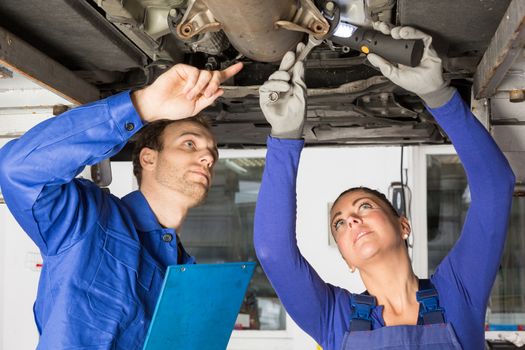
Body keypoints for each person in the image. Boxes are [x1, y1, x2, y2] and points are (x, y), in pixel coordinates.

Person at [254, 25, 515, 350]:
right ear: (347, 259)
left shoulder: (458, 294)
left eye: (365, 207)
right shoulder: (332, 316)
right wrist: (284, 136)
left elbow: (494, 189)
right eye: (339, 223)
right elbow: (273, 252)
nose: (350, 221)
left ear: (403, 225)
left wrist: (439, 95)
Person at [0, 61, 243, 348]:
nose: (208, 157)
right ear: (148, 158)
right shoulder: (88, 219)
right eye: (190, 144)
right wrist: (145, 105)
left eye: (211, 152)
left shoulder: (184, 276)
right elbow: (18, 170)